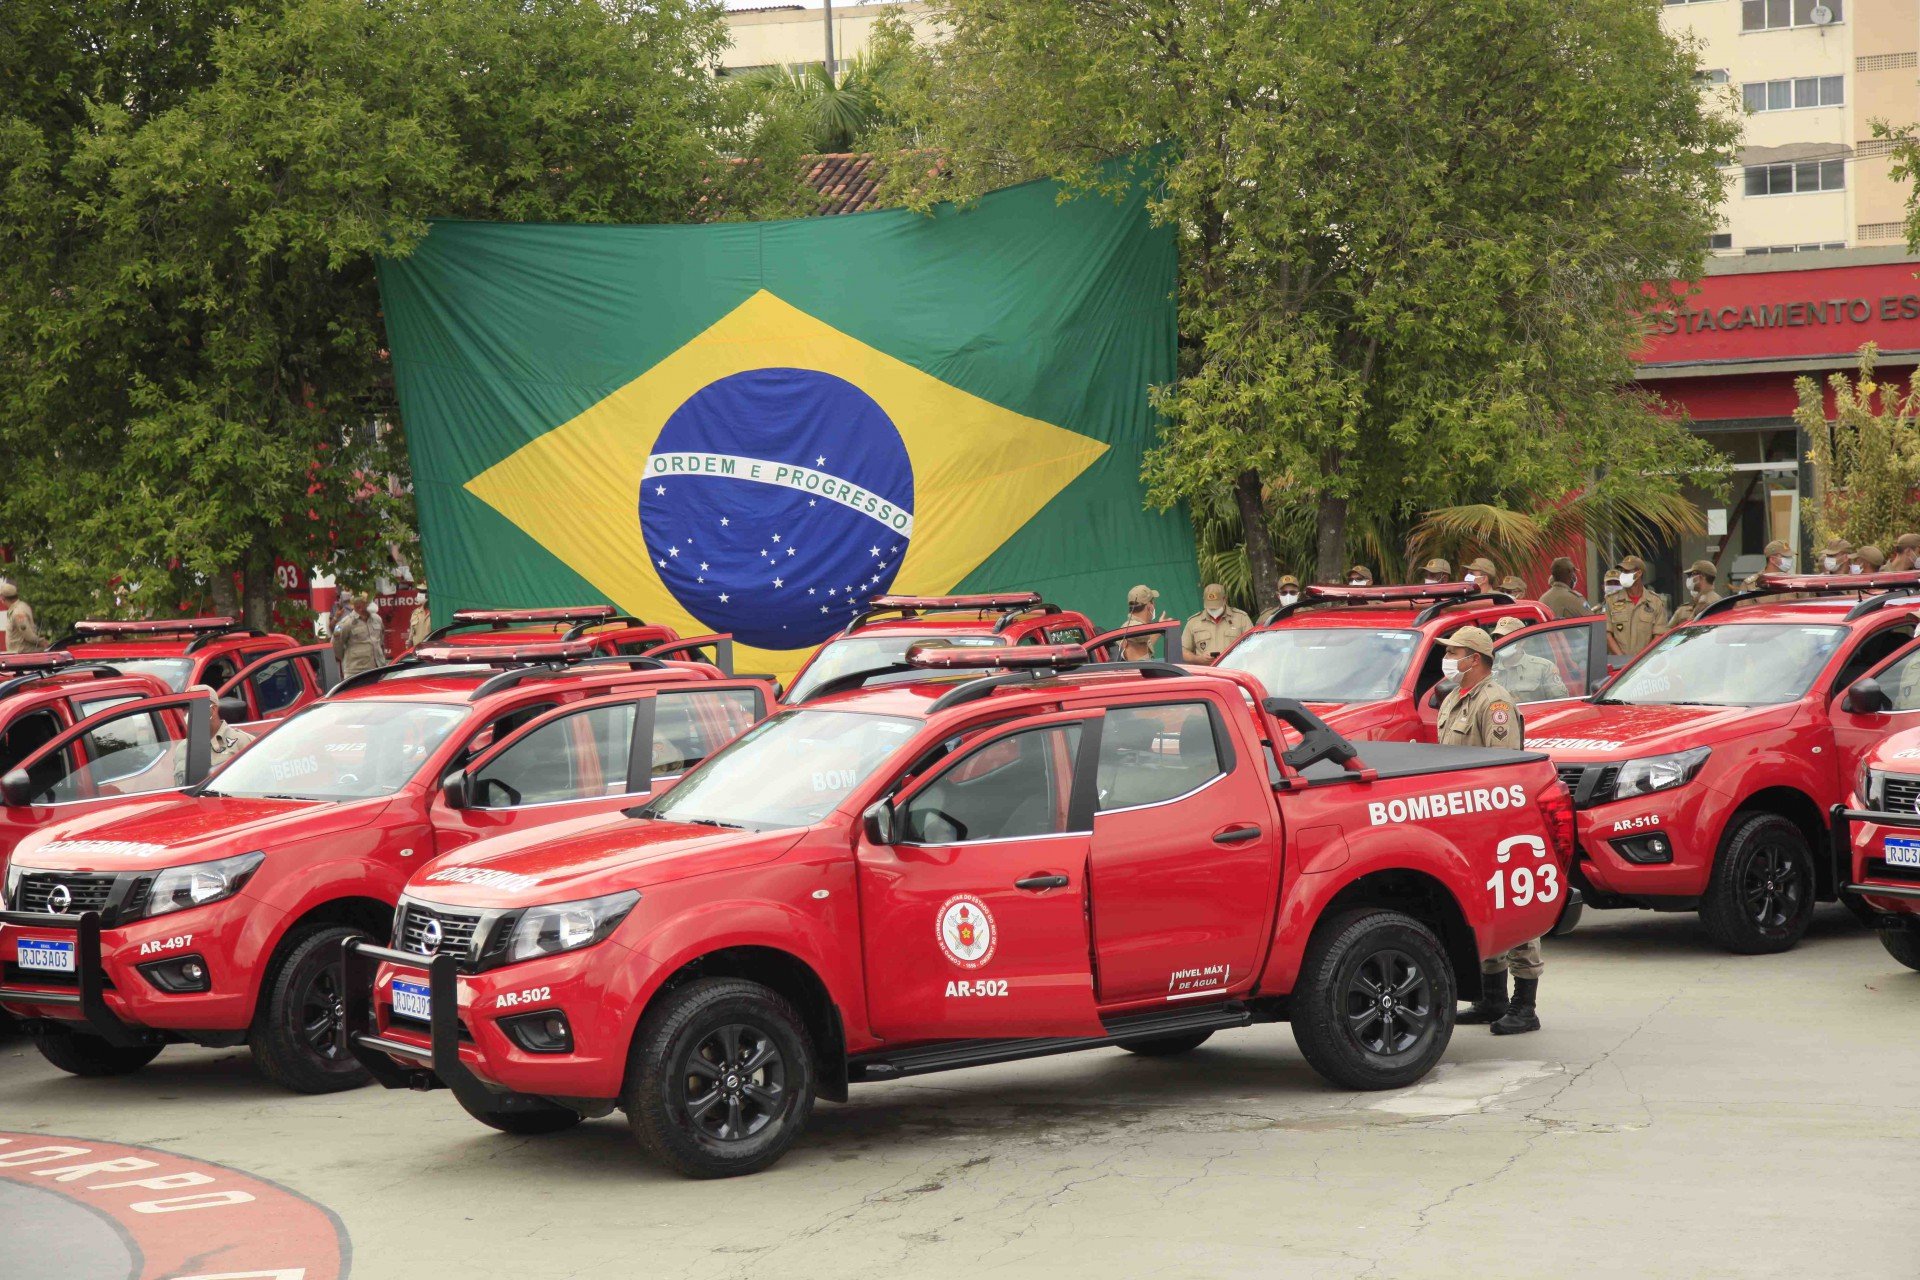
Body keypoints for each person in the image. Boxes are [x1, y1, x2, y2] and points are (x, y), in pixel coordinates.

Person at [1437, 626, 1540, 1035]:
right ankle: (1491, 998)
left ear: (1475, 658)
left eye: (1455, 653)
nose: (1448, 660)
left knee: (1516, 909)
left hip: (1496, 822)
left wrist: (1494, 825)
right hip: (1463, 824)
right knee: (1482, 908)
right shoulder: (1453, 698)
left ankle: (1524, 1006)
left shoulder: (1494, 703)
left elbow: (1504, 770)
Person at [1491, 615, 1568, 702]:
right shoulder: (1489, 671)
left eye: (1507, 638)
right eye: (1497, 638)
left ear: (1522, 641)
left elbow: (1561, 702)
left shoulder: (1543, 667)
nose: (1502, 642)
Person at [1606, 555, 1668, 657]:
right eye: (1622, 571)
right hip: (1619, 665)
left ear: (1638, 573)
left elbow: (1659, 635)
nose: (1623, 574)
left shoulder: (1655, 602)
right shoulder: (1611, 600)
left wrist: (1639, 661)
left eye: (1627, 571)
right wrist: (1623, 660)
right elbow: (1607, 635)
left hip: (1644, 665)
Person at [1182, 584, 1253, 665]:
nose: (1213, 609)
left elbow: (1254, 646)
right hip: (1207, 674)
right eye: (1210, 607)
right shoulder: (1193, 622)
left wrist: (1234, 657)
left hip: (1235, 671)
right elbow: (1183, 651)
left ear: (1225, 599)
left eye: (1216, 606)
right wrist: (1198, 659)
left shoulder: (1241, 618)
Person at [332, 592, 387, 679]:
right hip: (356, 673)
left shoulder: (377, 619)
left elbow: (381, 641)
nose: (371, 604)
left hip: (378, 669)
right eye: (368, 602)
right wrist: (349, 659)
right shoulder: (345, 623)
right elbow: (336, 646)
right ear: (359, 606)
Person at [1668, 559, 1722, 629]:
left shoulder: (1706, 602)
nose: (1689, 578)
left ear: (1701, 577)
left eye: (1692, 574)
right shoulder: (1713, 599)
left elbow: (1692, 630)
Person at [0, 581, 47, 654]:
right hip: (19, 653)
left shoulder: (18, 612)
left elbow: (28, 635)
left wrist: (41, 642)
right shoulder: (22, 606)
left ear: (3, 598)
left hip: (21, 654)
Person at [406, 583, 433, 651]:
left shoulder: (436, 613)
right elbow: (412, 633)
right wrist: (409, 643)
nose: (420, 595)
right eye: (420, 592)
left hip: (432, 650)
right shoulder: (416, 613)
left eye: (423, 592)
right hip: (418, 651)